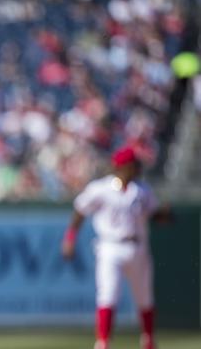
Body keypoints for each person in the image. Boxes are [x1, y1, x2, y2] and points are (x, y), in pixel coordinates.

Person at [61, 146, 172, 349]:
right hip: (110, 247)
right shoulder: (100, 188)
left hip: (137, 246)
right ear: (124, 167)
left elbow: (155, 214)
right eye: (134, 165)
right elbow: (79, 211)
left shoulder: (142, 190)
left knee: (144, 295)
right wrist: (69, 238)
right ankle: (103, 342)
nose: (138, 168)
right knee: (108, 294)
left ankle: (148, 340)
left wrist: (165, 215)